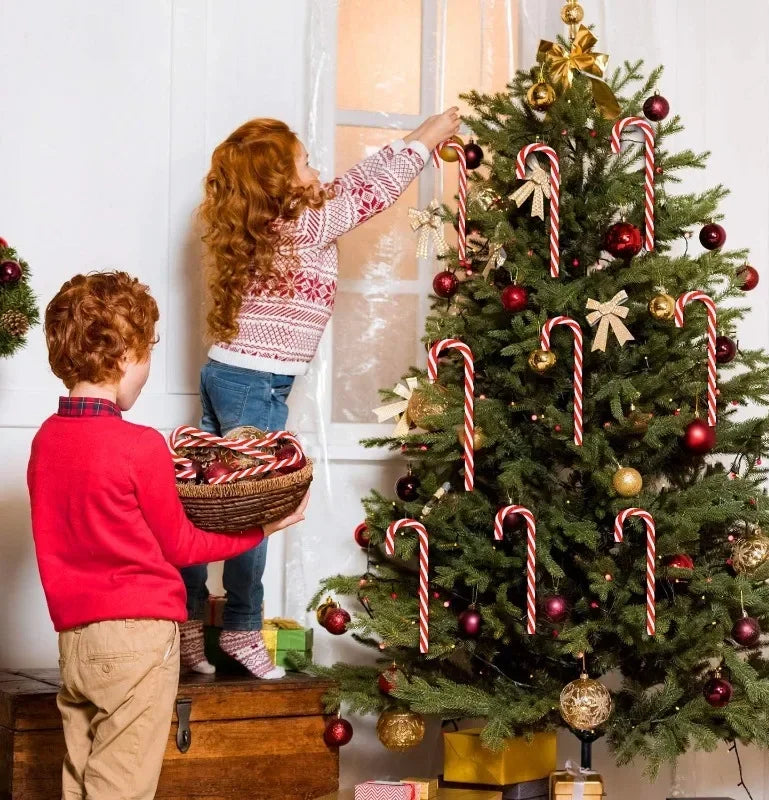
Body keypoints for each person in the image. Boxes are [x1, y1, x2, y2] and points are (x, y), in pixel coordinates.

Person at [180, 108, 461, 677]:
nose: (316, 168)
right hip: (255, 384)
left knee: (203, 508)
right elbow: (368, 193)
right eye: (304, 162)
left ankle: (186, 629)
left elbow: (356, 182)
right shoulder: (305, 225)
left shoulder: (274, 222)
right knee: (249, 514)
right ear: (279, 183)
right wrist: (428, 139)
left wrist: (414, 138)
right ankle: (238, 628)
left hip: (227, 373)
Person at [28, 271, 307, 800]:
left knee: (79, 783)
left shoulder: (45, 442)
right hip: (137, 637)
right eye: (148, 354)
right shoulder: (140, 446)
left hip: (75, 641)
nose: (148, 371)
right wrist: (262, 527)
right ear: (126, 356)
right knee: (121, 789)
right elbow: (183, 546)